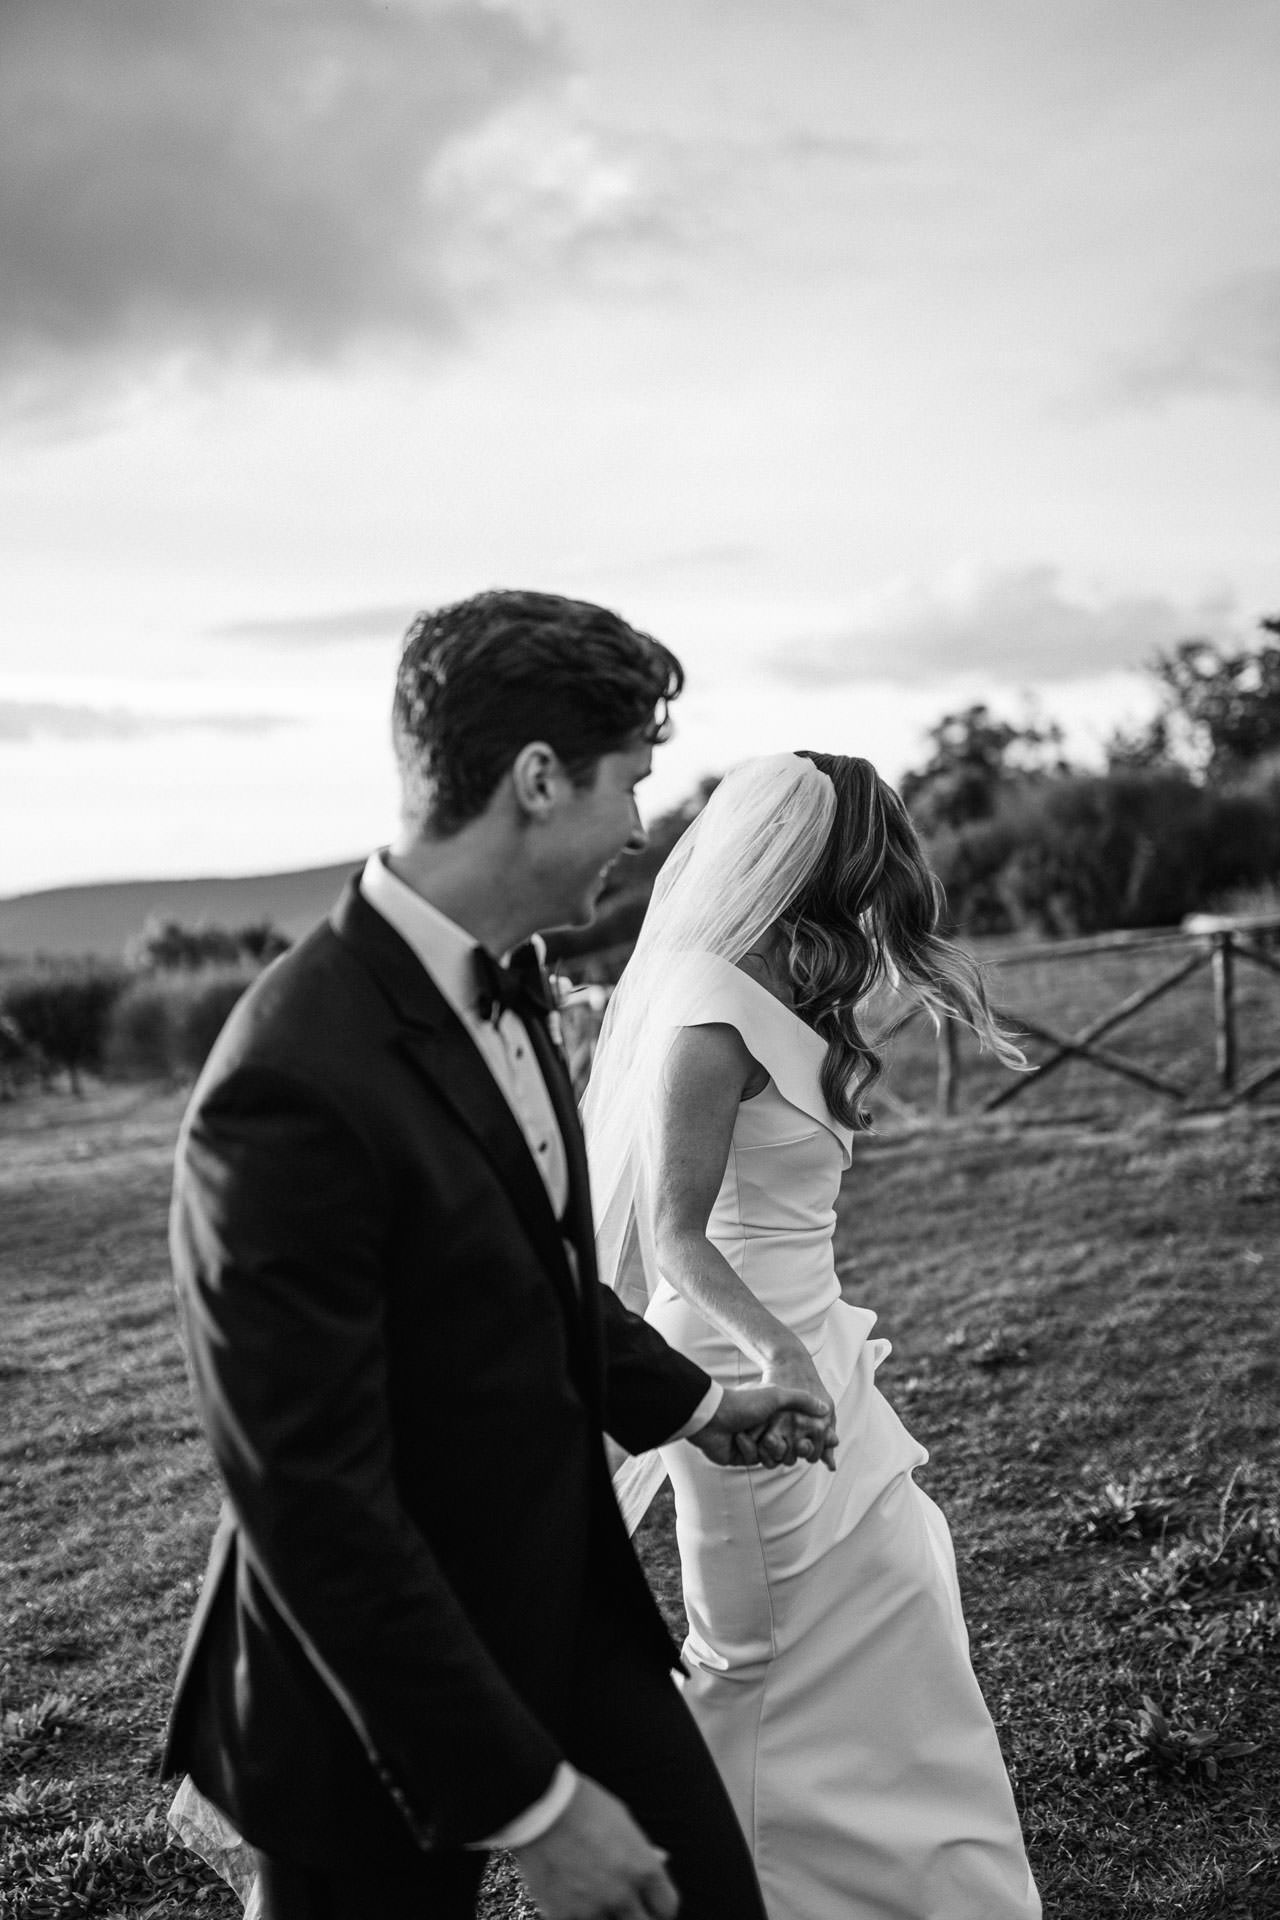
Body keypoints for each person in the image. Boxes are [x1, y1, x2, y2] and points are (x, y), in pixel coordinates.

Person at [160, 595, 834, 1920]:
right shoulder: (290, 1080)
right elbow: (309, 1499)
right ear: (537, 780)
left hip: (564, 1605)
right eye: (627, 782)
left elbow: (529, 1272)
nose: (640, 828)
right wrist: (529, 1808)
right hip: (370, 1695)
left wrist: (696, 1405)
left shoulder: (508, 989)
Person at [582, 750, 1043, 1920]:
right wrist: (776, 1354)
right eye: (876, 857)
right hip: (736, 1359)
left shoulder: (787, 988)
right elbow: (676, 1235)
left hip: (821, 1341)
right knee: (755, 1654)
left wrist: (808, 1344)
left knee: (896, 1599)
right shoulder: (704, 1007)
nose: (890, 883)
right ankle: (719, 1883)